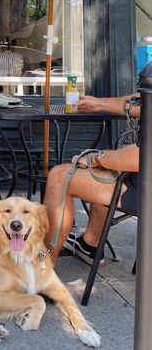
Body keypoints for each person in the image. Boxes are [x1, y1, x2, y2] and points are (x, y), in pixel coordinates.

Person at [43, 93, 140, 265]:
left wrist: (95, 158)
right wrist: (98, 103)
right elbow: (142, 101)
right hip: (140, 179)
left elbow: (140, 157)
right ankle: (89, 245)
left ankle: (41, 267)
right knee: (109, 167)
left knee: (59, 176)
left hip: (142, 190)